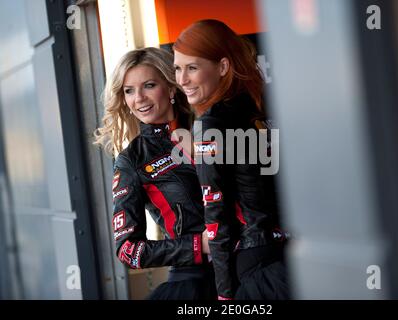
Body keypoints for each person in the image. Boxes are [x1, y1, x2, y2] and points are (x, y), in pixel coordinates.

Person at [173, 19, 290, 300]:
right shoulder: (261, 109)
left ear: (223, 67)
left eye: (192, 67)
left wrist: (224, 295)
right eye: (177, 68)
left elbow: (217, 220)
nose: (182, 80)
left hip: (257, 266)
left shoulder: (210, 125)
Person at [93, 47, 216, 300]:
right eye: (129, 91)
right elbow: (128, 250)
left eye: (148, 85)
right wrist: (198, 245)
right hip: (196, 282)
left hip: (255, 263)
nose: (138, 98)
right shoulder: (132, 161)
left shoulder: (212, 127)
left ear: (171, 88)